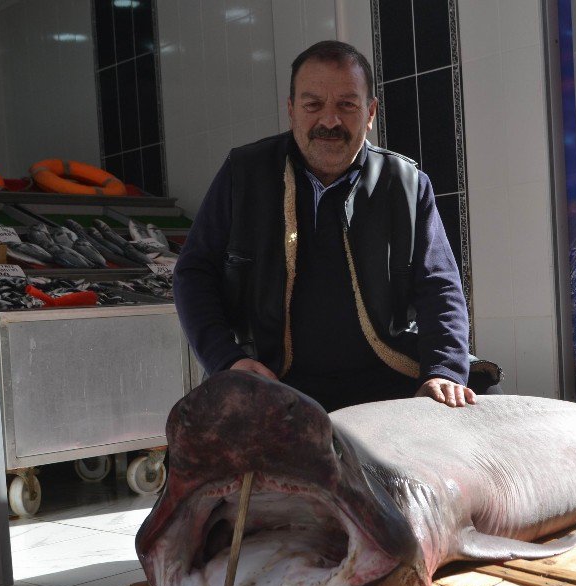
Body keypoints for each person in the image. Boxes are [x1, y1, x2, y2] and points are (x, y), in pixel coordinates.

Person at [174, 40, 489, 412]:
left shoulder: (405, 182)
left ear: (370, 113)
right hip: (278, 379)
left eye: (347, 105)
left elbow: (440, 287)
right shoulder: (244, 173)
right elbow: (194, 273)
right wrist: (228, 361)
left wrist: (443, 371)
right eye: (313, 105)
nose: (329, 121)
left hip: (390, 373)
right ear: (291, 111)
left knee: (483, 405)